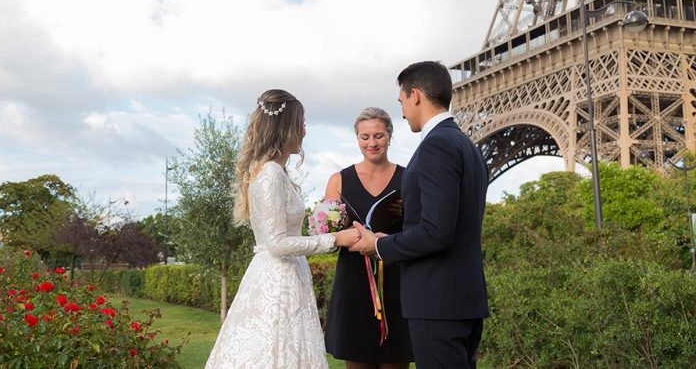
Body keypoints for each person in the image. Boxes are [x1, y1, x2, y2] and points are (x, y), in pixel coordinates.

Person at [205, 89, 361, 369]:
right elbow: (278, 244)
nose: (304, 130)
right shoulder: (271, 174)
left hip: (284, 275)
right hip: (278, 281)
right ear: (286, 127)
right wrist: (336, 238)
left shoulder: (271, 171)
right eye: (300, 123)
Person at [351, 61, 489, 368]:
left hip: (437, 302)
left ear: (415, 95)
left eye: (401, 101)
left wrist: (377, 246)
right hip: (464, 299)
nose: (401, 111)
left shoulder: (435, 146)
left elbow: (436, 232)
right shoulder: (467, 146)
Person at [324, 107, 413, 369]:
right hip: (354, 285)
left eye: (378, 136)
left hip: (397, 284)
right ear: (357, 139)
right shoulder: (338, 180)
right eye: (365, 137)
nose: (371, 143)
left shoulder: (409, 177)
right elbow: (329, 236)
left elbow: (425, 229)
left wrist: (408, 213)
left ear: (390, 135)